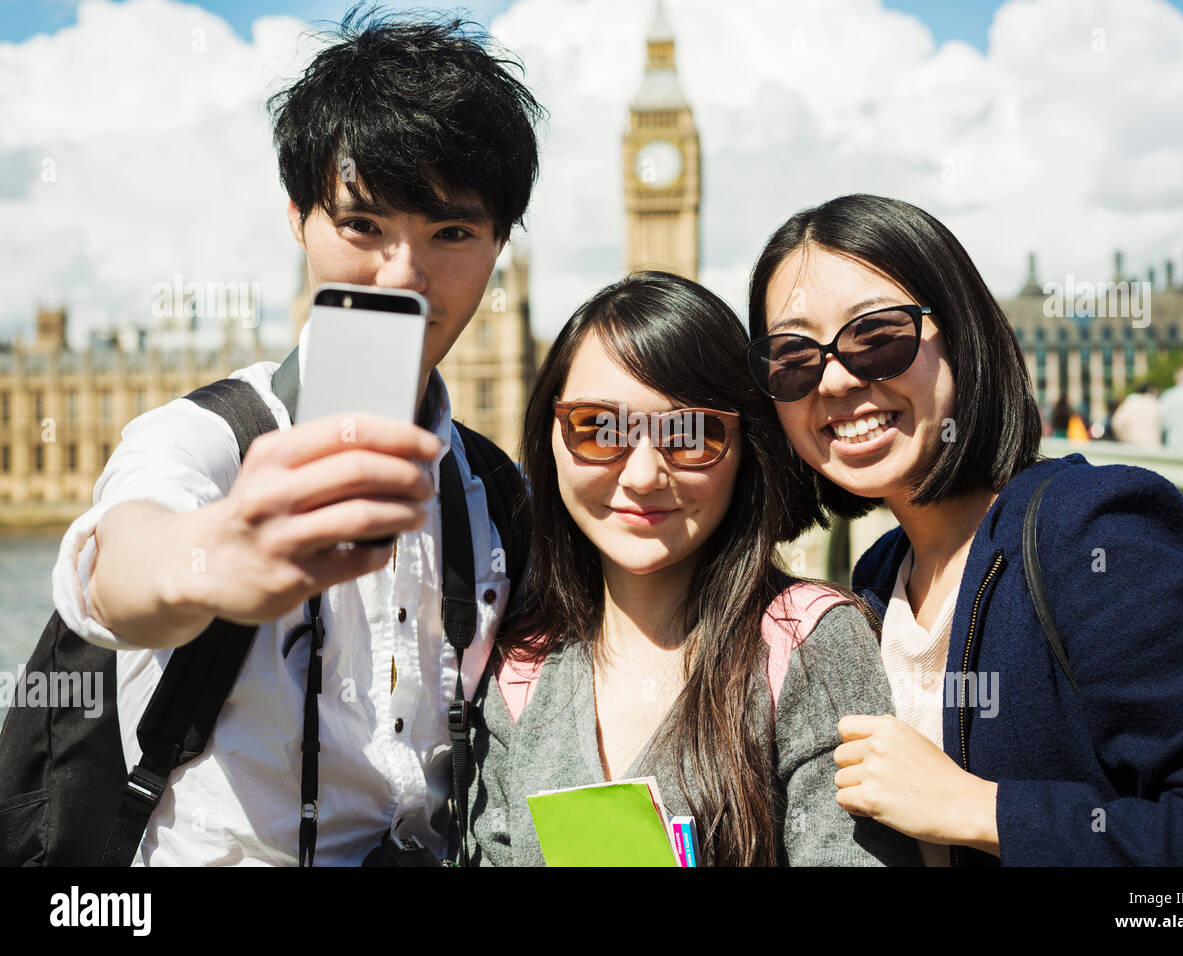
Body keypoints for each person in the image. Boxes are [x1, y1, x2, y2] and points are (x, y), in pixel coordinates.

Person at [49, 7, 543, 865]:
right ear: (297, 218)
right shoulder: (205, 438)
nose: (403, 274)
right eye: (363, 226)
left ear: (501, 244)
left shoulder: (499, 495)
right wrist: (210, 559)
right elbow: (120, 572)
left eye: (451, 233)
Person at [744, 193, 1183, 865]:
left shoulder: (1093, 531)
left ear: (962, 334)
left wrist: (979, 809)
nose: (833, 379)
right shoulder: (878, 578)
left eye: (878, 336)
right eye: (795, 356)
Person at [467, 272, 920, 866]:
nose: (643, 476)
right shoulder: (516, 670)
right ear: (549, 435)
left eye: (689, 435)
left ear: (745, 449)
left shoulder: (807, 644)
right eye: (599, 429)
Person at [1110, 384, 1160, 449]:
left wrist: (1124, 438)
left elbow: (1116, 423)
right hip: (1153, 446)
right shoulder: (1155, 404)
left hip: (1132, 444)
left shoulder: (1129, 404)